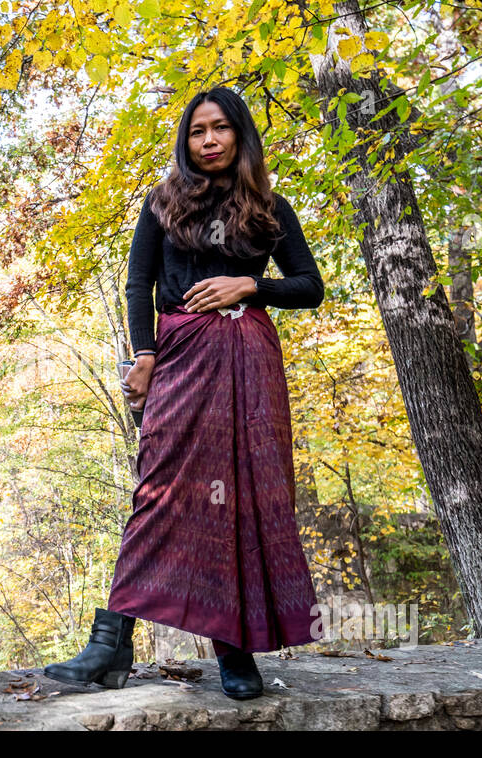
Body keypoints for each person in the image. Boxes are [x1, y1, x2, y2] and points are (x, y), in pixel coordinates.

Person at [42, 86, 325, 700]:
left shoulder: (270, 208)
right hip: (178, 356)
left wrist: (249, 285)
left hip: (248, 359)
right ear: (186, 141)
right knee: (161, 488)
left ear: (240, 135)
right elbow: (138, 282)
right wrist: (142, 355)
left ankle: (235, 652)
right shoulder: (162, 203)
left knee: (241, 497)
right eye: (198, 132)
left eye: (221, 128)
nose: (210, 140)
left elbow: (309, 286)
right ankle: (110, 641)